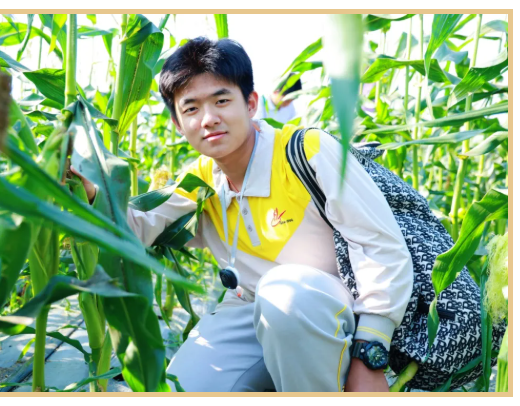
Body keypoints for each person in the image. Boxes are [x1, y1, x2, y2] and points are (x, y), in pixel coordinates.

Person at [72, 37, 413, 392]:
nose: (209, 119)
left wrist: (370, 349)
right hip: (248, 308)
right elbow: (140, 228)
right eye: (191, 108)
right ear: (177, 123)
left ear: (250, 103)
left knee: (286, 294)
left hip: (328, 310)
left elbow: (380, 246)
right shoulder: (202, 179)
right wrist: (89, 193)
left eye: (221, 101)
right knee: (177, 389)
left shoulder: (307, 151)